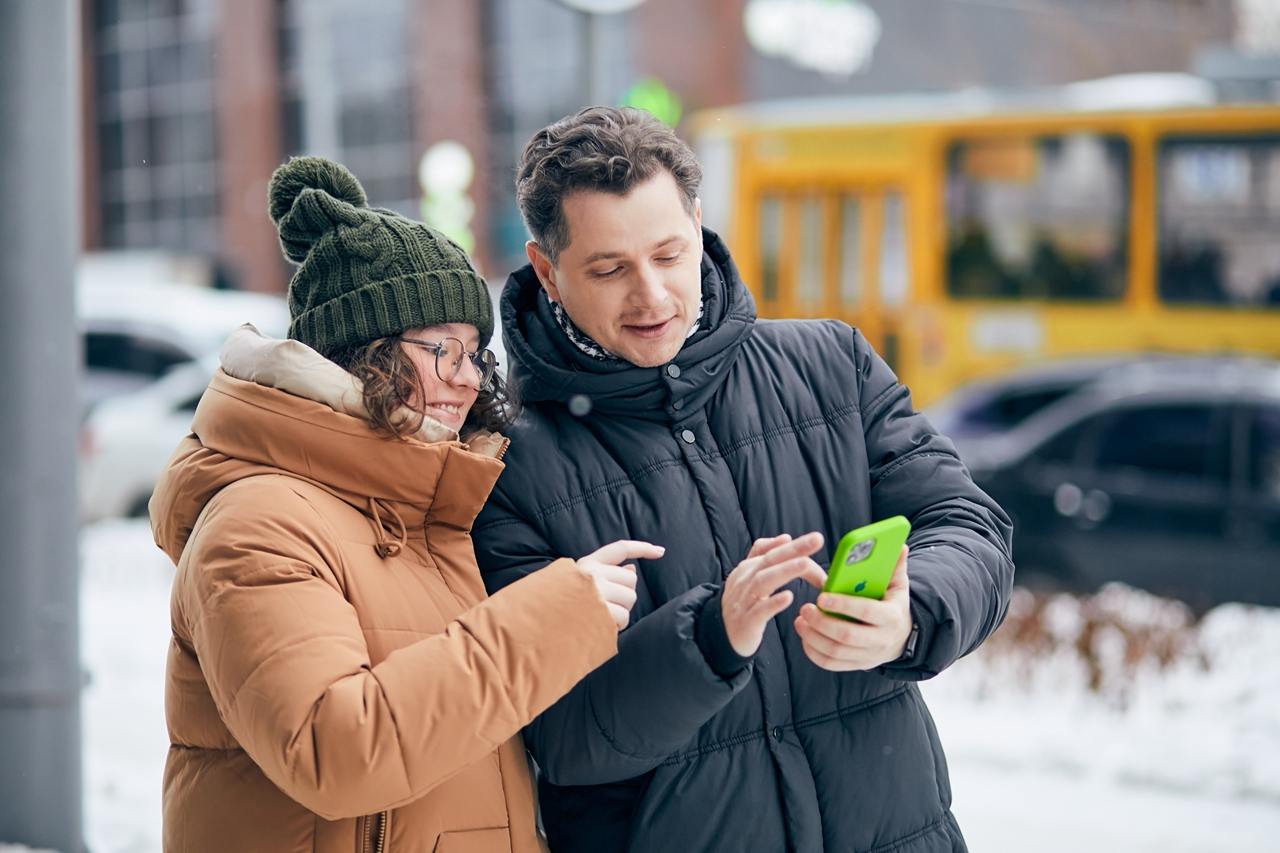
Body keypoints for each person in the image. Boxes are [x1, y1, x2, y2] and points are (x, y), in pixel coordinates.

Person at [474, 108, 1015, 852]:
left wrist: (912, 611)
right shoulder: (503, 465)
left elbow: (969, 524)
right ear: (547, 270)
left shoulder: (833, 367)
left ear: (698, 223)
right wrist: (710, 636)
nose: (653, 295)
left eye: (669, 254)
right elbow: (567, 734)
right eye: (610, 269)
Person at [151, 156, 659, 852]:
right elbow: (340, 750)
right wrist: (545, 623)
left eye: (475, 351)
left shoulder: (421, 513)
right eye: (439, 348)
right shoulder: (259, 523)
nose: (464, 378)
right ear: (362, 350)